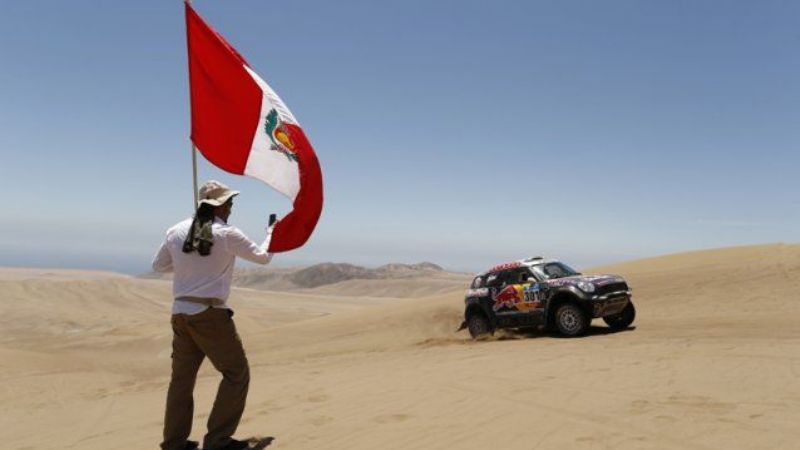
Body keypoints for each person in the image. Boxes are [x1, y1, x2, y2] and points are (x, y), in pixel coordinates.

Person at [152, 180, 274, 450]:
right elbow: (263, 257)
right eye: (229, 202)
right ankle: (218, 441)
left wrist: (189, 267)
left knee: (181, 381)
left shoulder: (175, 230)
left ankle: (174, 443)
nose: (231, 207)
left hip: (181, 313)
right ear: (218, 205)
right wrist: (272, 233)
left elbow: (159, 265)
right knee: (236, 373)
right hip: (209, 314)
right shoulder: (227, 233)